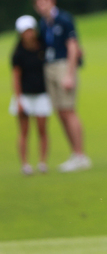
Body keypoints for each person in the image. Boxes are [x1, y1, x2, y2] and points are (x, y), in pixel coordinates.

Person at [31, 0, 91, 172]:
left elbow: (73, 47)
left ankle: (81, 155)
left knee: (69, 110)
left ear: (52, 1)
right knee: (60, 112)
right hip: (49, 66)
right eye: (38, 4)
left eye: (45, 1)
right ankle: (74, 153)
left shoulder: (64, 19)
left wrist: (70, 74)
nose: (42, 6)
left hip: (64, 65)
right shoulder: (42, 23)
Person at [9, 16, 52, 175]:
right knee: (24, 131)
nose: (28, 33)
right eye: (25, 31)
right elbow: (16, 77)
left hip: (42, 94)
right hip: (25, 96)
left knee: (42, 129)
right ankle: (25, 164)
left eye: (30, 30)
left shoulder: (43, 47)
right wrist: (18, 99)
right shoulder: (18, 53)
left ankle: (42, 163)